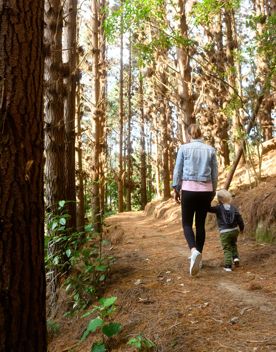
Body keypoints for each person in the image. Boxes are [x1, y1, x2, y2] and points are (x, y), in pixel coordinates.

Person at [172, 124, 218, 276]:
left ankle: (193, 251)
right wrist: (213, 191)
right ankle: (199, 256)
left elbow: (178, 169)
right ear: (200, 134)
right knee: (200, 225)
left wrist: (176, 188)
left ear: (189, 135)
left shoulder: (184, 148)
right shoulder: (210, 150)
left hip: (189, 190)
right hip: (205, 191)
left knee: (186, 223)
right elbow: (215, 175)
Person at [209, 189, 244, 272]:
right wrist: (242, 228)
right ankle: (235, 258)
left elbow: (208, 209)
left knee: (227, 248)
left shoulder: (218, 208)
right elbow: (239, 219)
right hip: (235, 230)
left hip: (224, 232)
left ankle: (228, 265)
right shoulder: (233, 208)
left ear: (219, 199)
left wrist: (208, 199)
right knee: (233, 244)